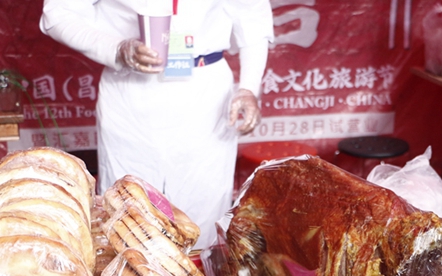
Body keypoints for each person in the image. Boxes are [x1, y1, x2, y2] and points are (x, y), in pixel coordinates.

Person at [40, 0, 274, 249]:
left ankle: (199, 271)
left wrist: (249, 87)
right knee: (128, 212)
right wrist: (114, 48)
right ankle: (130, 271)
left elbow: (252, 14)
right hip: (130, 91)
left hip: (206, 93)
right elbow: (57, 13)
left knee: (204, 207)